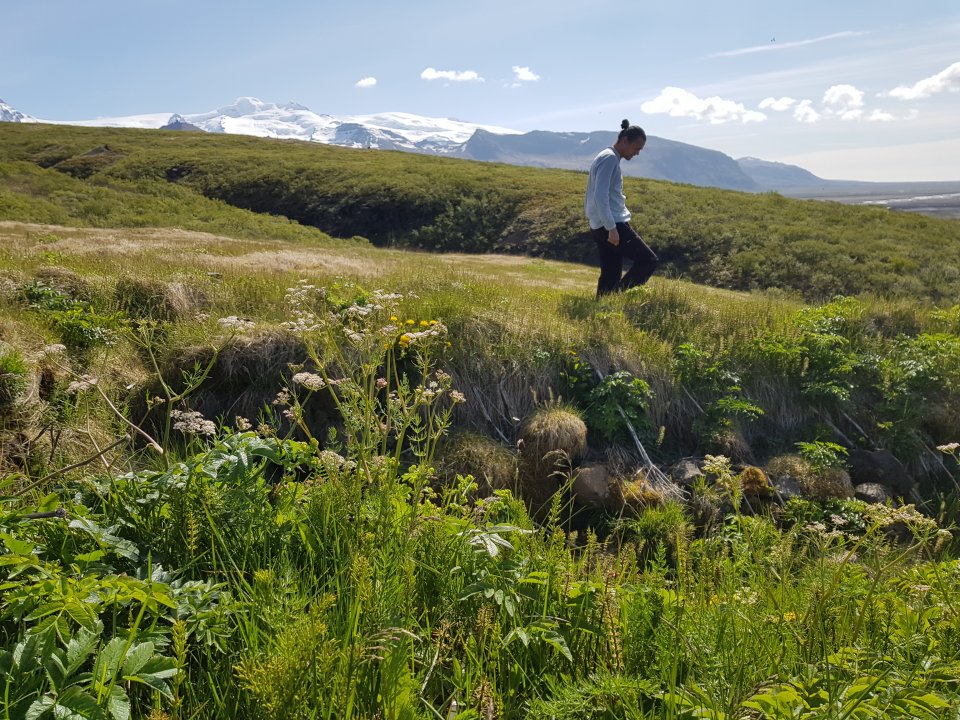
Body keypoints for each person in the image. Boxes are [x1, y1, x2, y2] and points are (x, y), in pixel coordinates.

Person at [584, 119, 659, 298]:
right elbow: (599, 196)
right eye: (636, 148)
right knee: (648, 261)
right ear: (624, 140)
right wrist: (612, 228)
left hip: (601, 224)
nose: (637, 153)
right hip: (612, 223)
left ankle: (603, 306)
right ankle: (618, 298)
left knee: (611, 272)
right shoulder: (609, 158)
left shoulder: (607, 156)